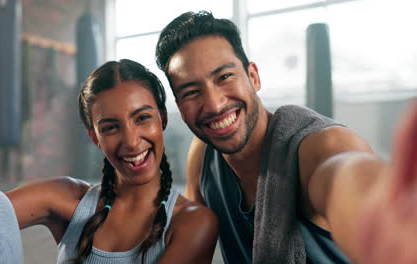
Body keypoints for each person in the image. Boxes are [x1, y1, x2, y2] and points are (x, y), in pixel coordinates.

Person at [155, 10, 417, 264]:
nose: (213, 104)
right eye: (191, 92)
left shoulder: (322, 146)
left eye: (224, 77)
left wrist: (384, 220)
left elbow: (343, 177)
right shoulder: (202, 154)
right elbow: (192, 239)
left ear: (253, 77)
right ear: (180, 106)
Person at [0, 59, 218, 264]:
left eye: (142, 118)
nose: (132, 141)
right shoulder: (71, 201)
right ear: (95, 137)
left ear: (163, 119)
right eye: (111, 127)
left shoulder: (193, 223)